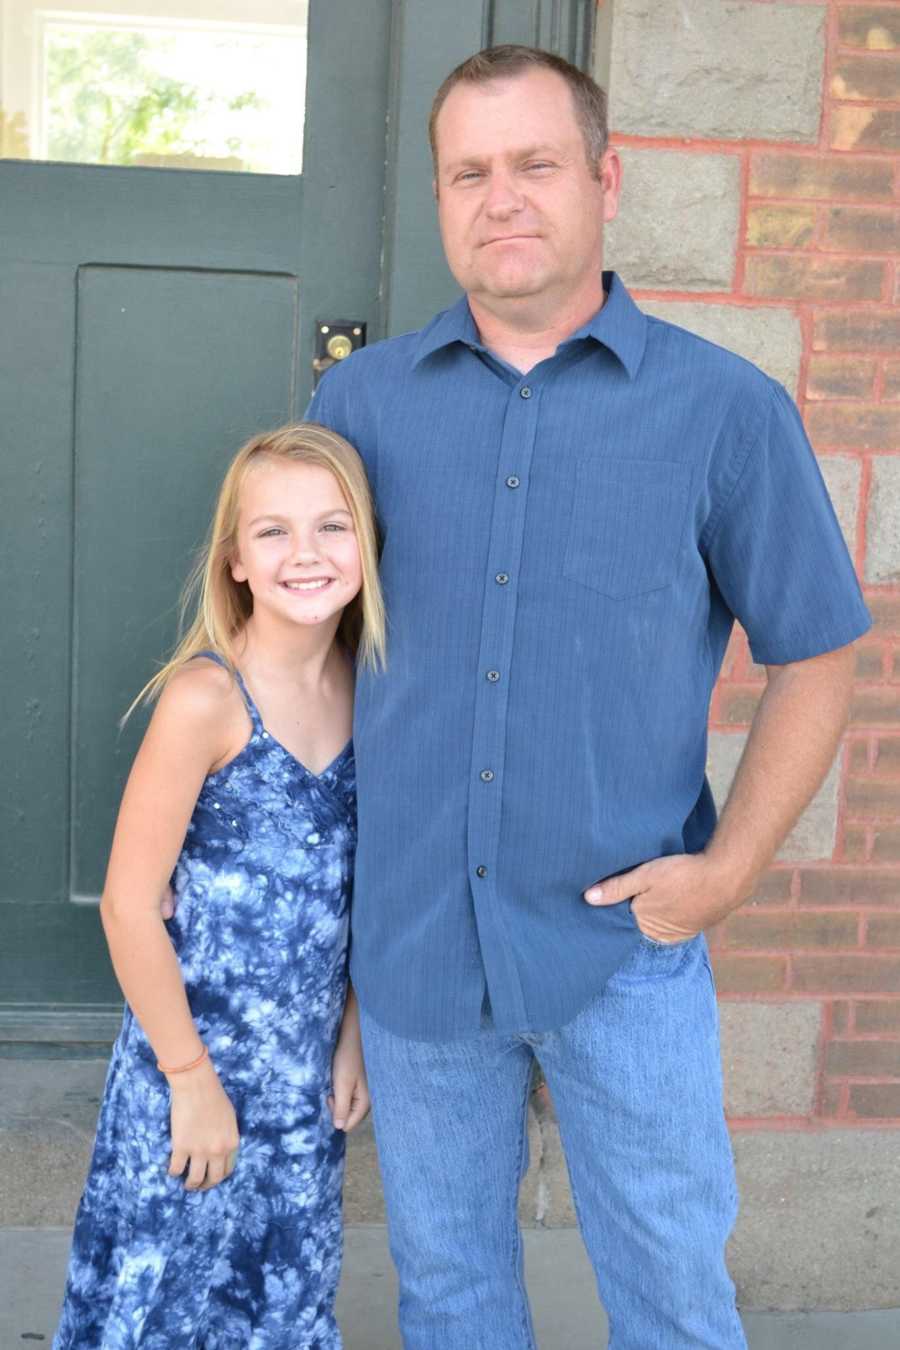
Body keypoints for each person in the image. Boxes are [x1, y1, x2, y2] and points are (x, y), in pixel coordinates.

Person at [305, 45, 872, 1350]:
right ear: (442, 199)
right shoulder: (359, 404)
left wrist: (727, 871)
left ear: (607, 180)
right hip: (416, 948)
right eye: (469, 172)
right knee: (450, 1296)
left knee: (671, 1292)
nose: (501, 196)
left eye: (535, 164)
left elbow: (819, 654)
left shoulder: (726, 411)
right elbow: (311, 666)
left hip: (626, 948)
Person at [53, 423, 385, 1349]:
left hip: (301, 1087)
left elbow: (375, 892)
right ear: (235, 558)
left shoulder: (379, 693)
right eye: (272, 532)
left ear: (367, 542)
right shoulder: (207, 700)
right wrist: (191, 1081)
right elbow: (129, 905)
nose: (306, 555)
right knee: (168, 1307)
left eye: (333, 526)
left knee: (276, 1307)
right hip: (191, 1073)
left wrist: (353, 1034)